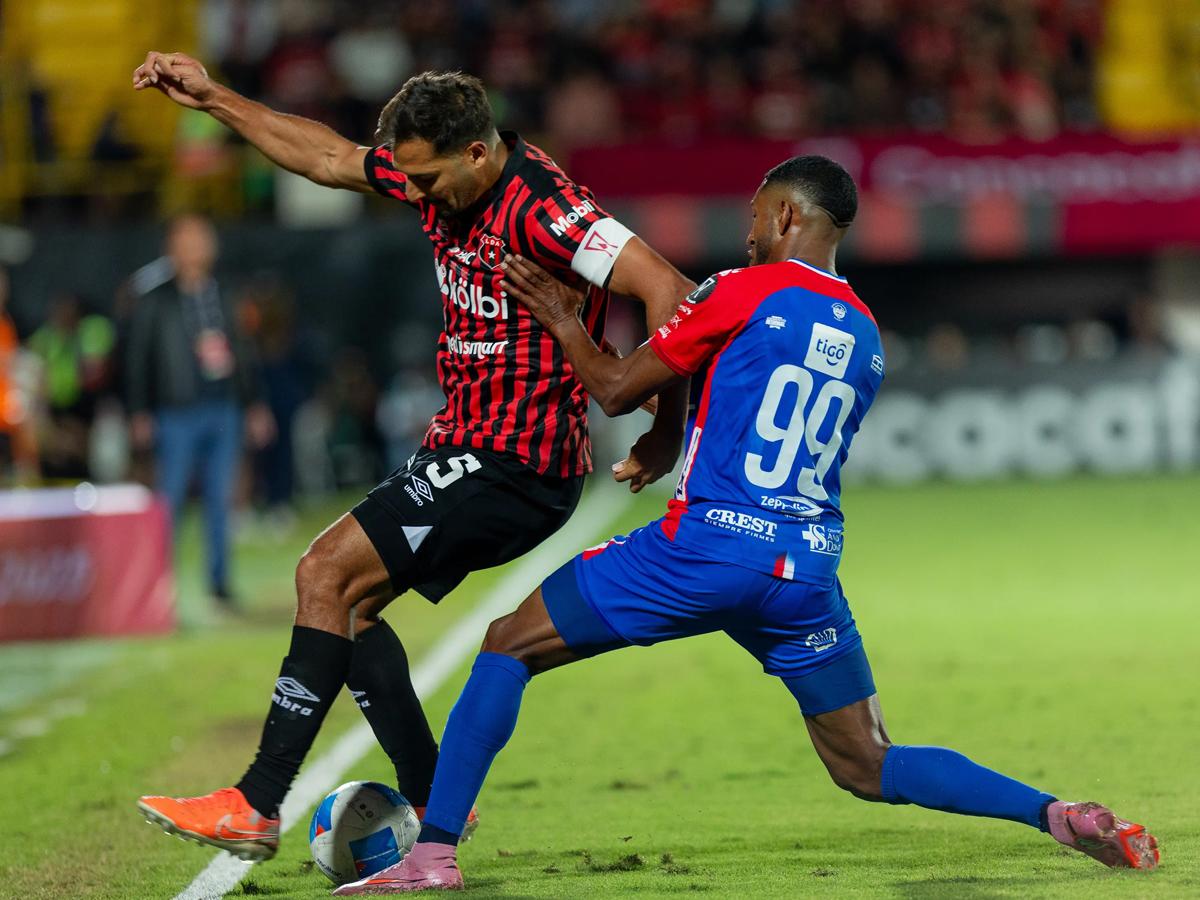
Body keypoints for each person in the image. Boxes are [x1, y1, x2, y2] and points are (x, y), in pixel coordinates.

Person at [333, 156, 1159, 894]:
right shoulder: (864, 331)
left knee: (508, 642)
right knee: (868, 761)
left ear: (790, 216)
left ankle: (432, 857)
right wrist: (674, 433)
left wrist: (561, 315)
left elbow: (617, 389)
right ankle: (1056, 814)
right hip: (806, 570)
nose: (750, 229)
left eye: (759, 215)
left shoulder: (740, 288)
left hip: (706, 550)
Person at [131, 55, 694, 859]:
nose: (417, 194)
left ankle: (256, 802)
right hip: (466, 443)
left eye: (427, 180)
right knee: (350, 609)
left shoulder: (548, 208)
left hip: (519, 461)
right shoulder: (433, 173)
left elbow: (669, 287)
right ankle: (433, 797)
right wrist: (215, 97)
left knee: (323, 572)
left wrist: (666, 429)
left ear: (477, 153)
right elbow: (328, 157)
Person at [125, 214, 275, 604]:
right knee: (170, 501)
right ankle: (157, 587)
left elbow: (242, 351)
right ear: (171, 248)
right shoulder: (155, 299)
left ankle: (219, 584)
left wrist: (254, 403)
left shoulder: (224, 292)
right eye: (187, 240)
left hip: (223, 407)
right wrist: (139, 411)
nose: (196, 248)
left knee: (221, 500)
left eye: (202, 239)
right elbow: (138, 356)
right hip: (175, 411)